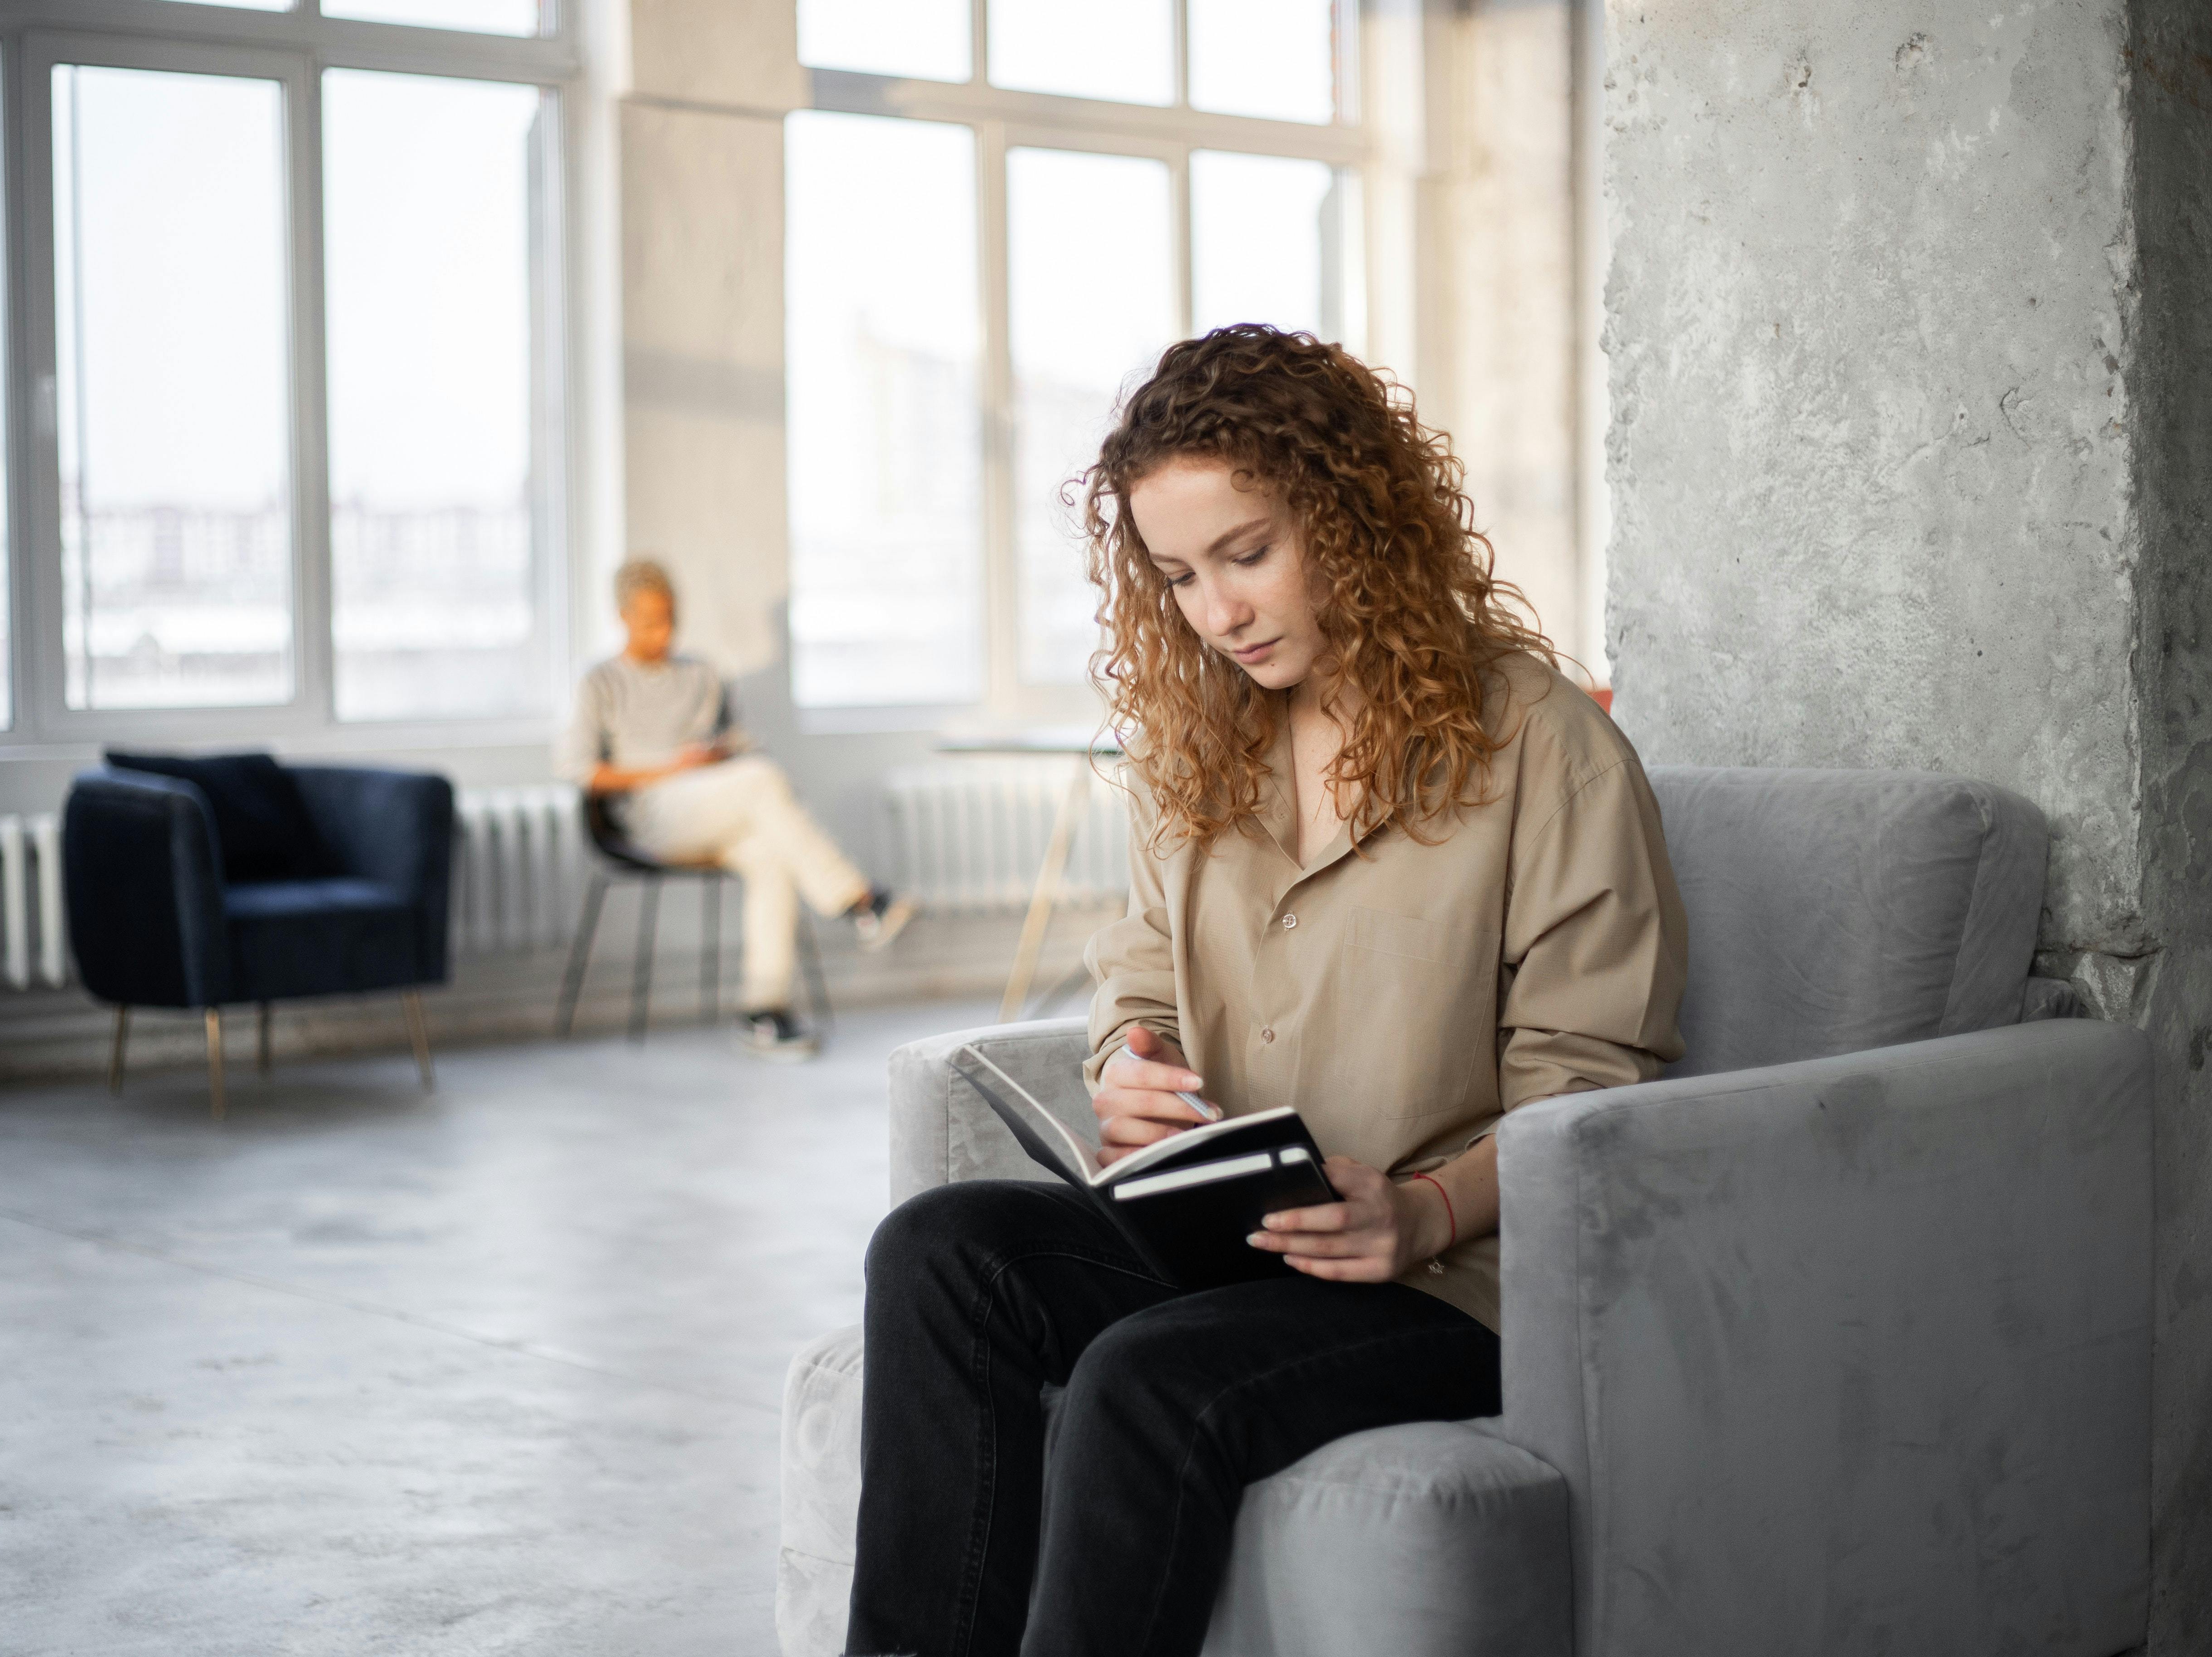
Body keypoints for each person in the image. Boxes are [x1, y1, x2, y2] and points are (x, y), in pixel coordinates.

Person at [844, 325, 1688, 1656]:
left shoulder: (1545, 744)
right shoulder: (1202, 735)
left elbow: (1595, 1087)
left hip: (1448, 1281)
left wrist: (1424, 1210)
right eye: (1179, 574)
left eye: (1247, 554)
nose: (1218, 611)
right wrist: (1131, 1057)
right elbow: (1136, 973)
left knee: (1141, 1375)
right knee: (941, 1252)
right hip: (1226, 1250)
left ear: (1354, 516)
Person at [558, 559, 914, 1060]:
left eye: (669, 619)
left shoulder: (701, 674)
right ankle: (858, 900)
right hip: (649, 816)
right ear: (622, 617)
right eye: (649, 622)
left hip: (719, 802)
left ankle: (764, 1011)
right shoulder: (600, 682)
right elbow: (581, 770)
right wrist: (673, 767)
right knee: (761, 783)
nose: (662, 633)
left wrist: (723, 754)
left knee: (771, 851)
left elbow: (746, 745)